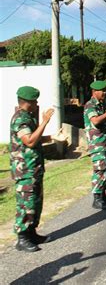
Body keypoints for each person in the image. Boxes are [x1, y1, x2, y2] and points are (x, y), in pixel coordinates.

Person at [10, 86, 54, 252]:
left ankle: (32, 233)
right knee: (25, 204)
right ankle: (22, 238)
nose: (36, 103)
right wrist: (44, 122)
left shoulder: (28, 117)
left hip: (33, 168)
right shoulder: (20, 119)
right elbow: (28, 141)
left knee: (35, 202)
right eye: (34, 101)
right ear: (26, 102)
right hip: (25, 170)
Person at [83, 80, 106, 210]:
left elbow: (105, 121)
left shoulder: (100, 105)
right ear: (94, 92)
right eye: (102, 90)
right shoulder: (90, 105)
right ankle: (97, 198)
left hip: (104, 142)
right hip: (97, 144)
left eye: (105, 90)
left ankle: (103, 195)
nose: (105, 92)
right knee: (100, 170)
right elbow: (96, 121)